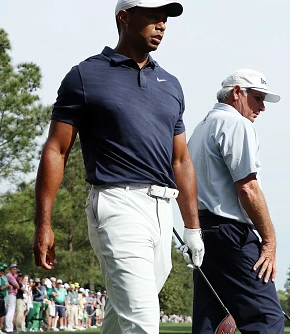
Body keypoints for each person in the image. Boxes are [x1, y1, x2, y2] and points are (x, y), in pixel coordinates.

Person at [32, 1, 204, 333]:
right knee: (142, 320)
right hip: (117, 204)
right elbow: (56, 149)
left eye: (165, 19)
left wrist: (193, 228)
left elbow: (180, 159)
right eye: (153, 16)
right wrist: (44, 223)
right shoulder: (85, 75)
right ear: (124, 17)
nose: (162, 25)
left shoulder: (171, 84)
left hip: (162, 211)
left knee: (119, 316)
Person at [186, 68, 284, 333]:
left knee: (211, 322)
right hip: (232, 235)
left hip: (203, 232)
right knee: (267, 320)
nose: (262, 107)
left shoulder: (201, 128)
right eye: (258, 98)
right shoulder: (236, 123)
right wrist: (270, 241)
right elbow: (248, 188)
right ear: (237, 93)